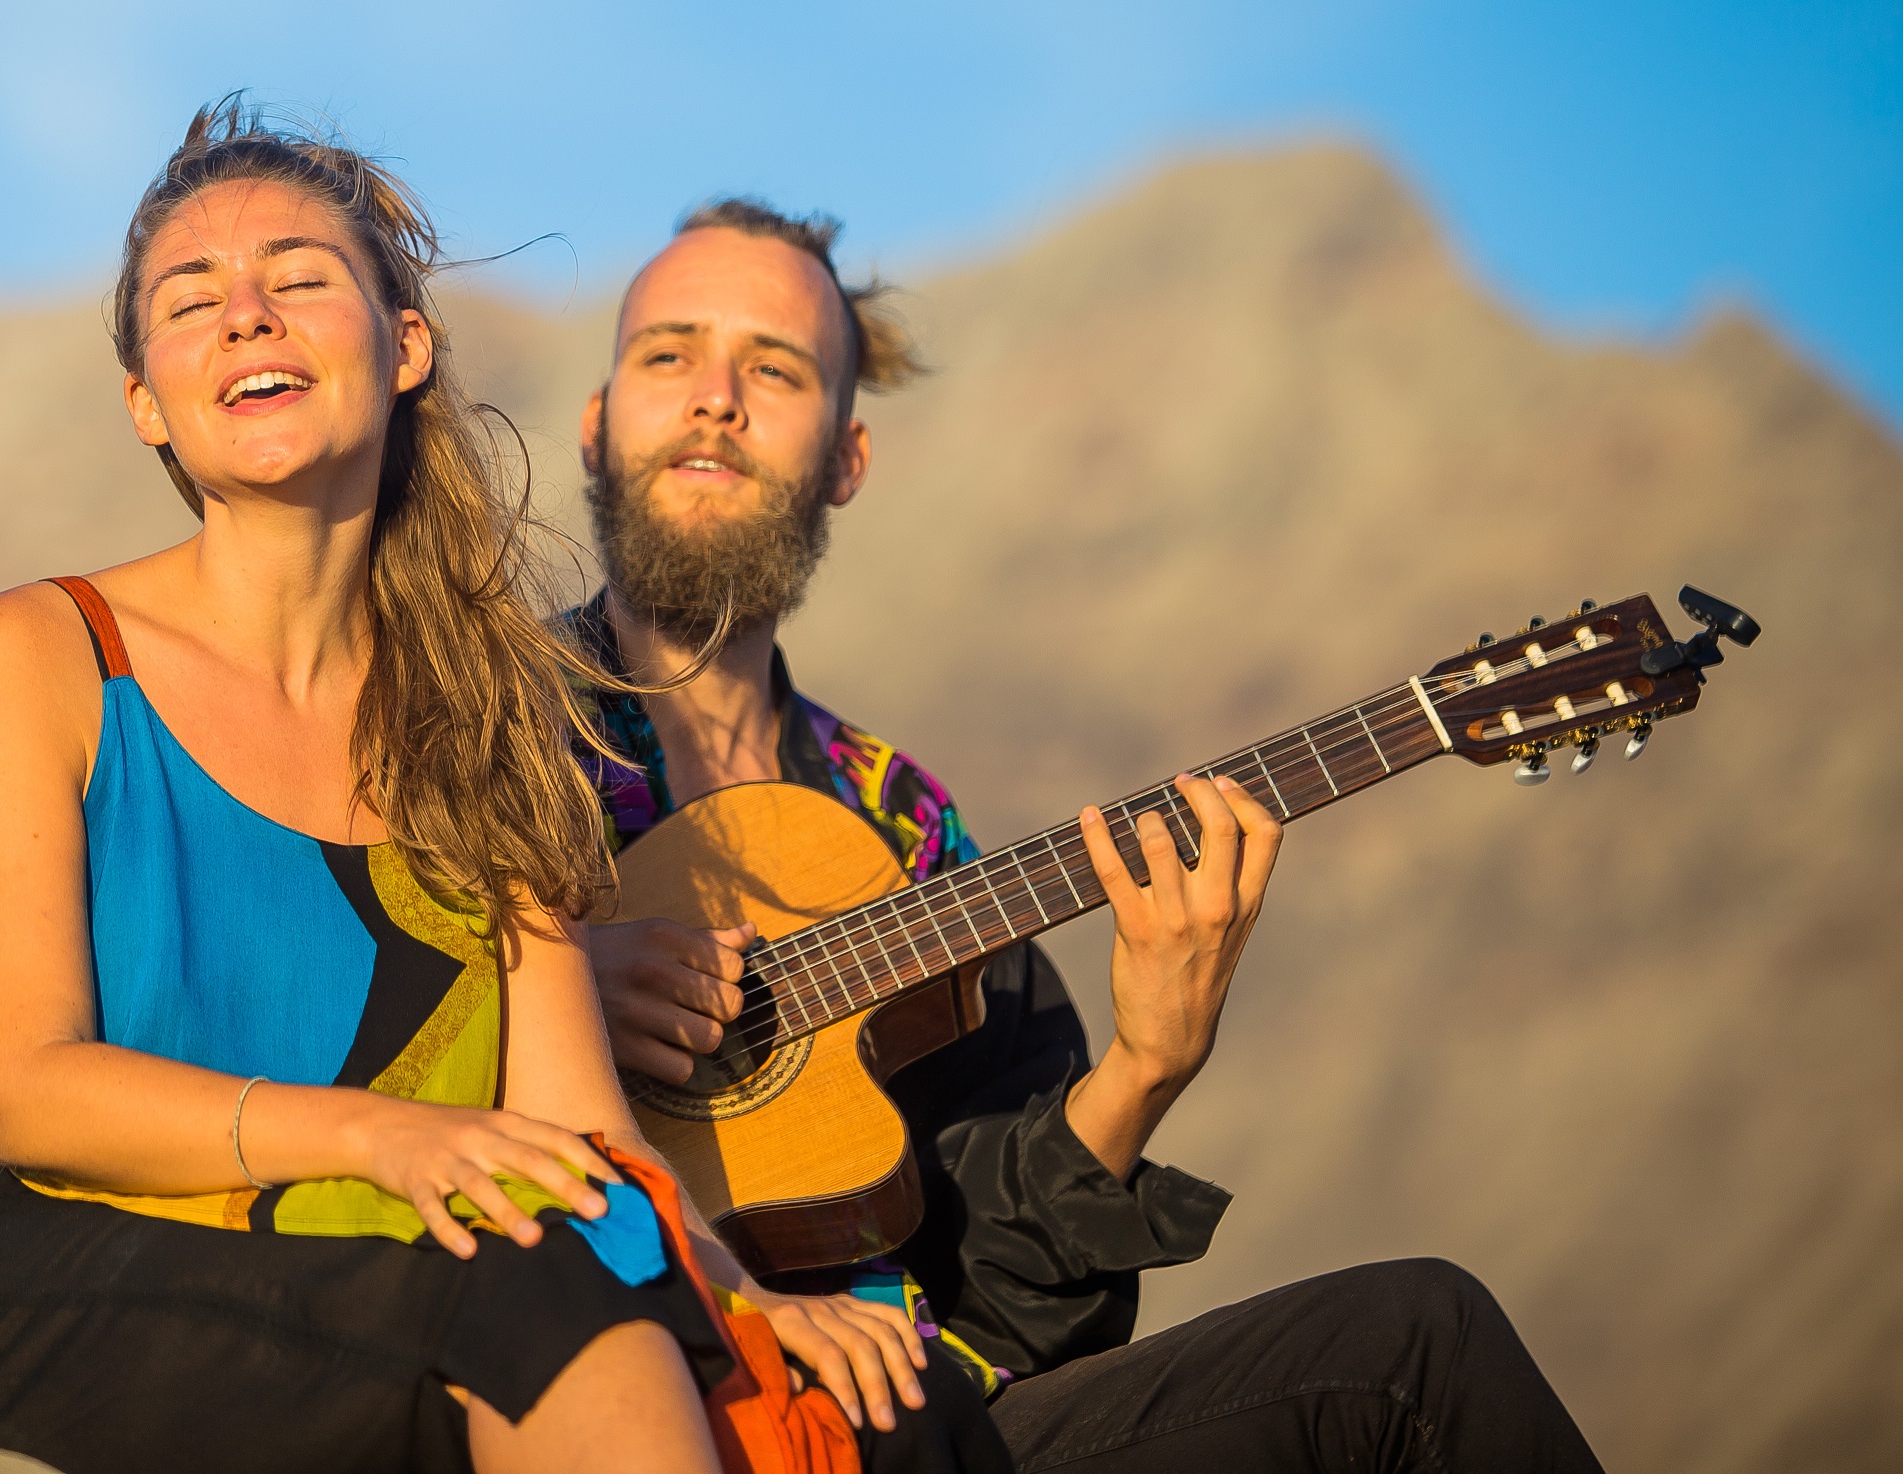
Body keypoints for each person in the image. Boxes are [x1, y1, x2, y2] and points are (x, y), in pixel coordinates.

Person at [0, 106, 987, 1474]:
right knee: (528, 1294)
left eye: (300, 277)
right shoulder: (45, 651)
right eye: (190, 302)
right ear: (147, 396)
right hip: (29, 1273)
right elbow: (21, 1088)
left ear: (406, 347)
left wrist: (741, 1296)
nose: (247, 315)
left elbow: (580, 1131)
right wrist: (388, 1135)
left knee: (884, 1405)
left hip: (362, 1276)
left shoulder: (487, 717)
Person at [569, 199, 1609, 1472]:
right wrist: (550, 992)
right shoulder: (465, 729)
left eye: (773, 368)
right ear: (595, 419)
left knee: (1417, 1345)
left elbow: (989, 1313)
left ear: (846, 457)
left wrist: (1144, 1068)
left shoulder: (898, 824)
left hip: (883, 1427)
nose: (715, 396)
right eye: (667, 353)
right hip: (572, 1379)